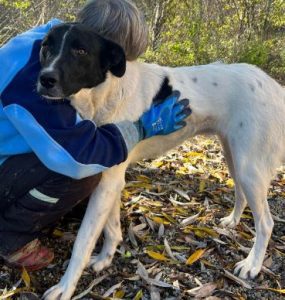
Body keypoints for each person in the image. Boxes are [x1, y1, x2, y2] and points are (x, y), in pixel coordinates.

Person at [0, 0, 191, 271]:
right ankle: (11, 235)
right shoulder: (37, 78)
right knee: (87, 172)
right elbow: (79, 156)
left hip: (10, 152)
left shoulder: (51, 41)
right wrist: (140, 129)